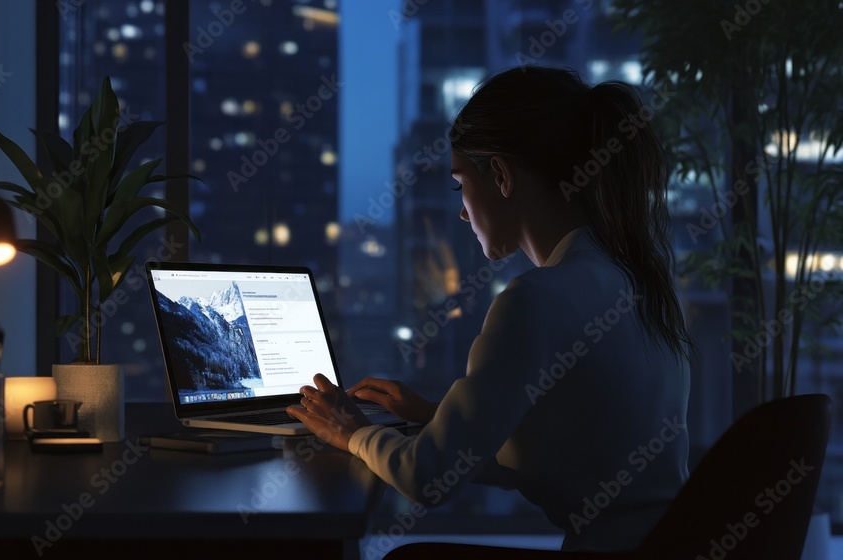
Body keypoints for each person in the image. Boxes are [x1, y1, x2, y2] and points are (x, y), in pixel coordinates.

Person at [285, 66, 694, 552]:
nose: (462, 211)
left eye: (461, 185)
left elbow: (428, 480)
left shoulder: (534, 300)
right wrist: (438, 417)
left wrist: (350, 432)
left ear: (499, 175)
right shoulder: (634, 281)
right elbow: (562, 454)